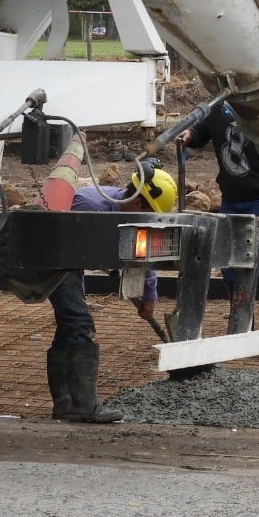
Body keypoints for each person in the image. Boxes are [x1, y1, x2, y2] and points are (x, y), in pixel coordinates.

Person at [36, 157, 177, 423]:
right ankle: (83, 406)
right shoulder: (90, 207)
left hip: (71, 261)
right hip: (54, 259)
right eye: (147, 212)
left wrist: (150, 294)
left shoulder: (126, 211)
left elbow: (141, 249)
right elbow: (69, 250)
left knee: (69, 326)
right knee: (79, 322)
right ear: (136, 201)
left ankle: (65, 404)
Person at [176, 101, 259, 331]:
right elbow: (202, 131)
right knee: (229, 265)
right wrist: (190, 134)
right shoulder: (220, 109)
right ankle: (243, 326)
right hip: (232, 200)